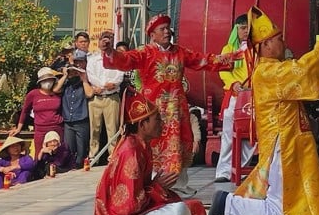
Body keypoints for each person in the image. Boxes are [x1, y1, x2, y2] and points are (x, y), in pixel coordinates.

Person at [209, 6, 319, 215]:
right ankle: (226, 205)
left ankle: (230, 205)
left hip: (290, 141)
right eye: (279, 39)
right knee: (281, 212)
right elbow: (303, 73)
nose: (284, 42)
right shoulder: (268, 72)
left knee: (292, 202)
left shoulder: (273, 69)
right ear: (265, 45)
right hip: (283, 145)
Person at [104, 14, 234, 195]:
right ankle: (155, 183)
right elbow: (125, 59)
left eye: (167, 28)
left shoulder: (179, 52)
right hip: (154, 110)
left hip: (177, 109)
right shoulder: (145, 52)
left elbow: (202, 60)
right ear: (152, 34)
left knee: (179, 143)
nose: (167, 32)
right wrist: (110, 52)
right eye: (162, 29)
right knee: (155, 144)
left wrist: (232, 59)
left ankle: (179, 184)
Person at [80, 93, 210, 215]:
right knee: (179, 211)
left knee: (193, 207)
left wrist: (156, 187)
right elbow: (127, 207)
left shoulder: (141, 145)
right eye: (157, 120)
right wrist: (158, 188)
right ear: (142, 124)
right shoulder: (131, 152)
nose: (162, 124)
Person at [214, 14, 256, 183]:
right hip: (235, 96)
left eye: (248, 28)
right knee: (229, 133)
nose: (245, 31)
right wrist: (234, 83)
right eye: (242, 28)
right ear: (236, 29)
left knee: (252, 134)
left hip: (254, 96)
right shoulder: (228, 49)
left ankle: (241, 168)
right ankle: (223, 171)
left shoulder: (257, 49)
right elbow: (223, 70)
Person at [86, 29, 124, 165]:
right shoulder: (92, 59)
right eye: (104, 39)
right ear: (99, 41)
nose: (106, 41)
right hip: (96, 97)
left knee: (112, 128)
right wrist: (103, 86)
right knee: (94, 128)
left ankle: (112, 155)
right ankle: (93, 155)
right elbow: (90, 75)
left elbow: (119, 75)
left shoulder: (117, 57)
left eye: (109, 39)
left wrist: (112, 84)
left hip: (111, 97)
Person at [7, 65, 64, 154]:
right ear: (40, 82)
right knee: (40, 154)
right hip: (41, 130)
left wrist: (65, 75)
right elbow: (25, 111)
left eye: (49, 80)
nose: (47, 82)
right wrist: (18, 128)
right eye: (44, 80)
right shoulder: (33, 94)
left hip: (57, 128)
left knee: (57, 154)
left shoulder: (58, 94)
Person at [57, 51, 93, 167]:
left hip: (81, 120)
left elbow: (89, 94)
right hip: (68, 120)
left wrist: (83, 78)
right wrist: (65, 75)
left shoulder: (84, 82)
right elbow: (55, 90)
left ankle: (79, 168)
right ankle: (70, 167)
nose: (73, 73)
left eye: (75, 71)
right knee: (69, 148)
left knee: (81, 150)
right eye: (72, 70)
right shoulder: (66, 84)